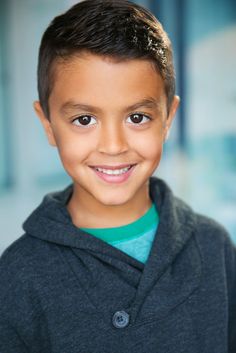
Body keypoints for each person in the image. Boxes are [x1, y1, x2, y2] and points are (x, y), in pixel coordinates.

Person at [0, 0, 235, 352]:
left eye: (137, 117)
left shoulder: (214, 247)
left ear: (168, 118)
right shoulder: (17, 276)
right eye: (84, 120)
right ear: (47, 124)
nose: (113, 146)